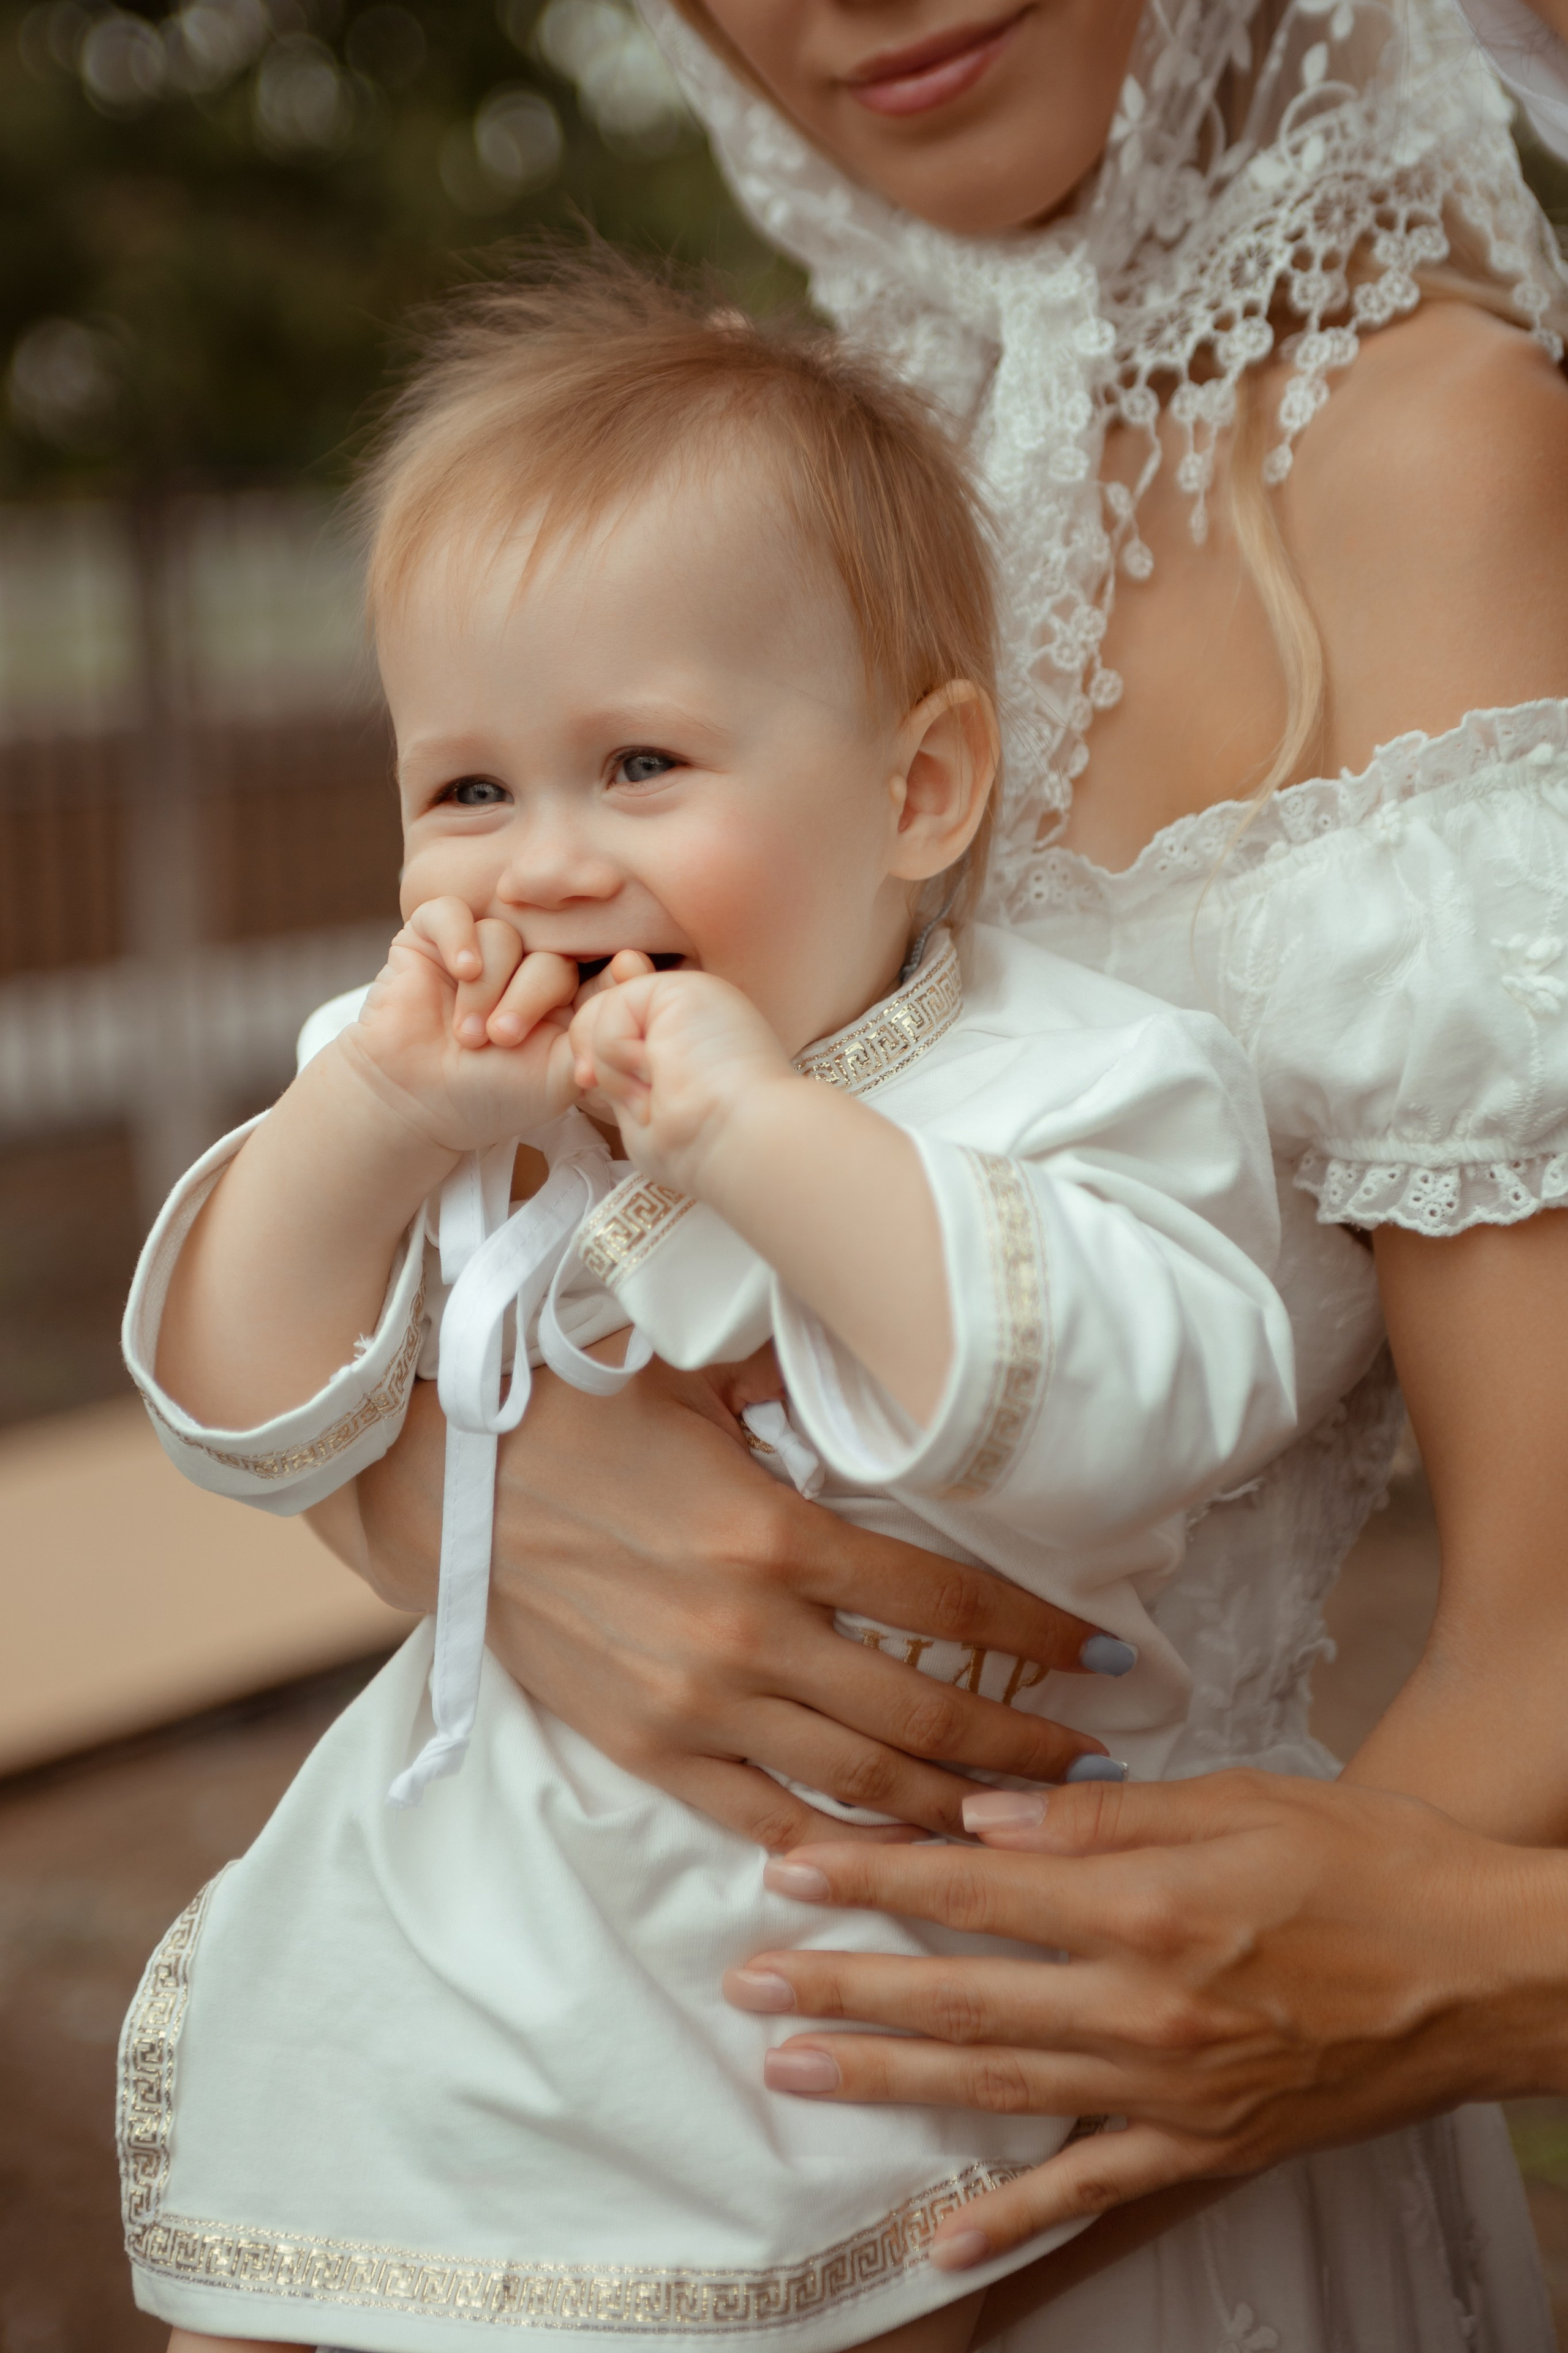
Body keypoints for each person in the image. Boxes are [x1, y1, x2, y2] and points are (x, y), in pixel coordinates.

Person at [277, 1, 1568, 2346]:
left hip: (1052, 2132)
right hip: (587, 2070)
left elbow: (1555, 1638)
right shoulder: (745, 449)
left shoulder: (1440, 454)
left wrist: (950, 2245)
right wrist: (478, 1501)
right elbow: (396, 1250)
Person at [116, 261, 1302, 2353]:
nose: (544, 866)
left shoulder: (1074, 1078)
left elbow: (1153, 1403)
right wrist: (373, 1120)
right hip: (467, 1936)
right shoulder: (430, 1082)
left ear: (919, 792)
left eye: (641, 761)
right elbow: (237, 1406)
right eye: (467, 790)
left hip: (835, 1983)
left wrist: (766, 1142)